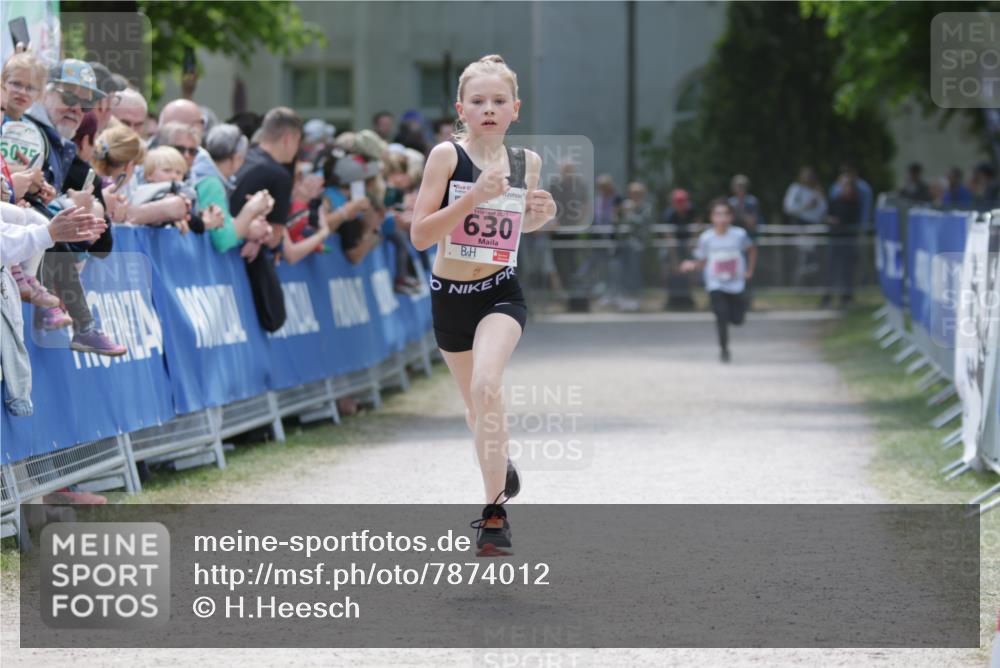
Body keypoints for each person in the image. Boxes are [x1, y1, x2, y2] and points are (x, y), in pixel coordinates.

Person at [410, 55, 556, 557]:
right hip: (451, 297)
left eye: (498, 101)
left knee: (486, 386)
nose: (488, 109)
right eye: (478, 101)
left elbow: (514, 228)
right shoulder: (445, 157)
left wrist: (540, 215)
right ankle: (501, 462)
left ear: (516, 109)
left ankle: (494, 517)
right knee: (478, 412)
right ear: (461, 110)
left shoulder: (525, 163)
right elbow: (420, 234)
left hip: (499, 292)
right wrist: (472, 197)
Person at [680, 198, 756, 363]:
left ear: (731, 217)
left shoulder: (739, 235)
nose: (722, 218)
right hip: (715, 283)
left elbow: (751, 249)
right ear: (712, 217)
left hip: (736, 283)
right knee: (721, 315)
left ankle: (733, 315)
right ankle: (724, 350)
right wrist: (692, 265)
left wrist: (749, 270)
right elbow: (702, 260)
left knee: (737, 320)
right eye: (718, 214)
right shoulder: (706, 238)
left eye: (725, 214)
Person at [199, 123, 274, 254]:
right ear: (237, 157)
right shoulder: (211, 184)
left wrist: (250, 225)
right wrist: (251, 210)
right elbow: (223, 240)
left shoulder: (207, 177)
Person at [820, 174, 863, 309]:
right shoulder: (835, 201)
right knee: (830, 270)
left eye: (847, 185)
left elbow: (850, 219)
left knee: (846, 271)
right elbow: (825, 216)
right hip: (834, 240)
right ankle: (826, 298)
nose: (844, 188)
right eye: (842, 185)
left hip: (848, 241)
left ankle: (846, 298)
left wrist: (839, 221)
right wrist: (829, 220)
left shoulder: (855, 202)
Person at [662, 188, 698, 309]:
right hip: (673, 245)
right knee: (667, 265)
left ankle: (689, 297)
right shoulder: (669, 214)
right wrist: (674, 260)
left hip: (688, 244)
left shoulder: (692, 210)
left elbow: (696, 228)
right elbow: (669, 237)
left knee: (692, 267)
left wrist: (691, 248)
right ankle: (670, 298)